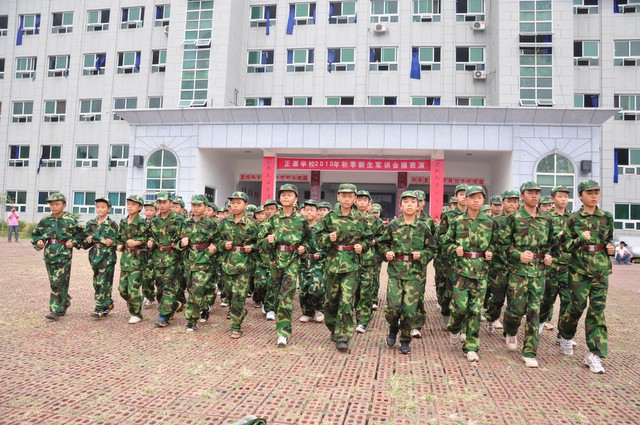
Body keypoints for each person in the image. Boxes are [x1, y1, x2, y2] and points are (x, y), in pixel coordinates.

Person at [558, 180, 615, 374]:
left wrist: (611, 248)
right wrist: (580, 239)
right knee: (576, 307)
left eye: (596, 192)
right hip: (579, 271)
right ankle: (565, 334)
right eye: (589, 193)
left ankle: (594, 353)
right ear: (580, 196)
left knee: (597, 311)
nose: (594, 196)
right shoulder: (573, 219)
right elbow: (564, 246)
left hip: (601, 271)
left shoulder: (606, 217)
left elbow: (609, 240)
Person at [502, 181, 554, 368]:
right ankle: (510, 329)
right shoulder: (513, 218)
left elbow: (552, 243)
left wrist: (549, 255)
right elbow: (503, 244)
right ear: (522, 196)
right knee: (516, 309)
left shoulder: (546, 219)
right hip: (518, 271)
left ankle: (530, 351)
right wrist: (517, 254)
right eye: (530, 193)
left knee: (534, 311)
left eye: (537, 193)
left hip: (538, 271)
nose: (534, 196)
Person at [315, 183, 372, 352]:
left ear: (354, 199)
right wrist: (328, 238)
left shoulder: (360, 218)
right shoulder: (330, 217)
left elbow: (368, 239)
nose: (347, 199)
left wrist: (362, 246)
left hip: (351, 264)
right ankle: (333, 327)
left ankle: (343, 336)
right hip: (333, 263)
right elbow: (317, 238)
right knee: (331, 301)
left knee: (347, 300)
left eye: (350, 196)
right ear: (338, 197)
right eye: (344, 196)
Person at [442, 186, 496, 362]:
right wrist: (454, 249)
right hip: (461, 270)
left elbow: (498, 243)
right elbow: (445, 242)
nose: (475, 200)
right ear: (466, 199)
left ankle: (471, 347)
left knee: (475, 310)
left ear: (483, 200)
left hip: (481, 271)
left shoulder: (490, 222)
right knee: (459, 308)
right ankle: (455, 327)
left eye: (479, 197)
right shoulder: (458, 221)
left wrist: (491, 251)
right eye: (472, 197)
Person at [378, 190, 436, 354]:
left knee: (410, 310)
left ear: (418, 206)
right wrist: (387, 252)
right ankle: (392, 328)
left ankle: (405, 339)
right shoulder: (393, 226)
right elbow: (382, 244)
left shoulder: (423, 227)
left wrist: (422, 255)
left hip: (414, 274)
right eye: (406, 202)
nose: (409, 205)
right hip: (396, 272)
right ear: (400, 206)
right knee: (393, 307)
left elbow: (432, 248)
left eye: (413, 202)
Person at [259, 184, 313, 346]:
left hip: (292, 260)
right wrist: (268, 241)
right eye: (283, 195)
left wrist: (304, 248)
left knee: (285, 297)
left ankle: (283, 333)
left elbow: (310, 241)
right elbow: (259, 241)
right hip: (276, 260)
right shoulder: (273, 219)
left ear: (296, 198)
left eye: (289, 195)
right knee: (275, 294)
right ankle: (274, 313)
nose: (286, 197)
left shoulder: (301, 220)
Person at [31, 193, 84, 321]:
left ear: (64, 205)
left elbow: (81, 235)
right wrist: (39, 242)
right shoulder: (45, 221)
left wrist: (73, 242)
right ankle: (64, 300)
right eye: (51, 204)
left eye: (57, 204)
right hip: (49, 255)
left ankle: (55, 310)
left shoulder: (70, 221)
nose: (54, 207)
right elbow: (36, 234)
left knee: (57, 282)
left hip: (64, 255)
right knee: (54, 282)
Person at [216, 191, 257, 339]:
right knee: (228, 294)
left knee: (238, 296)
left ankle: (236, 326)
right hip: (227, 264)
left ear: (246, 205)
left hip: (244, 265)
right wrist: (222, 244)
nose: (235, 206)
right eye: (233, 203)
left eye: (238, 203)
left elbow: (261, 243)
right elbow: (216, 240)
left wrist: (252, 247)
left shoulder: (252, 224)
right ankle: (239, 312)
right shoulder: (224, 223)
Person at [147, 191, 185, 328]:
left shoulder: (179, 220)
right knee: (160, 288)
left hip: (173, 258)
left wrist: (178, 244)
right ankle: (172, 306)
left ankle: (164, 316)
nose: (162, 205)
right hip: (158, 257)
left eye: (165, 202)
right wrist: (151, 241)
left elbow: (184, 238)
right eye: (159, 202)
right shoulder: (154, 220)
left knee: (169, 287)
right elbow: (151, 236)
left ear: (171, 203)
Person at [180, 195, 218, 333]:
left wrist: (214, 248)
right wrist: (181, 243)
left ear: (205, 207)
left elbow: (219, 240)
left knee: (196, 290)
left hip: (204, 260)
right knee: (192, 289)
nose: (195, 208)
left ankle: (191, 321)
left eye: (199, 205)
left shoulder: (211, 223)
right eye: (193, 205)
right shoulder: (186, 222)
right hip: (189, 260)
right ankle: (205, 307)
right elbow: (177, 241)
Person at [485, 189, 520, 332]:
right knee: (497, 299)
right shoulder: (494, 221)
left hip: (517, 267)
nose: (511, 204)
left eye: (514, 201)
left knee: (514, 301)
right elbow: (489, 242)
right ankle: (491, 317)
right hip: (498, 266)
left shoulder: (523, 220)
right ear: (503, 202)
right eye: (508, 201)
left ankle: (509, 331)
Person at [539, 186, 572, 335]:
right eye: (560, 196)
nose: (563, 199)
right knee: (547, 300)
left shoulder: (572, 218)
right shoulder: (546, 218)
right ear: (553, 199)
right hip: (551, 266)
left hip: (568, 266)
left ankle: (563, 335)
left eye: (566, 196)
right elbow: (542, 241)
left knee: (568, 301)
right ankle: (540, 323)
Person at [436, 184, 467, 331]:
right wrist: (453, 249)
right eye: (461, 194)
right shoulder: (449, 215)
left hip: (469, 262)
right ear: (456, 197)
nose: (465, 197)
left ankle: (462, 324)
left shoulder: (477, 216)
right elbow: (441, 237)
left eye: (467, 194)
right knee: (448, 291)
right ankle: (446, 313)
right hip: (450, 260)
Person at [84, 196, 119, 318]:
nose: (100, 209)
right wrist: (87, 240)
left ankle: (100, 307)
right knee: (96, 282)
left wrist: (112, 243)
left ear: (109, 209)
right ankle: (107, 303)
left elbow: (119, 241)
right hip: (94, 255)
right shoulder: (91, 224)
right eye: (98, 207)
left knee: (103, 281)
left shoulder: (112, 224)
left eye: (103, 207)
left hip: (107, 256)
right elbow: (84, 242)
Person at [354, 190, 383, 334]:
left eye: (365, 200)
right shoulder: (350, 217)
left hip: (368, 260)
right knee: (354, 291)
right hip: (350, 260)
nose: (362, 202)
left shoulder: (375, 221)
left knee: (366, 290)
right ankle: (354, 314)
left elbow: (383, 238)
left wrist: (375, 241)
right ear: (355, 201)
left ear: (369, 203)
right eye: (359, 199)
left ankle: (363, 320)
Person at [116, 195, 149, 324]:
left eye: (133, 205)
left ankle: (136, 314)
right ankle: (136, 303)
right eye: (128, 204)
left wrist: (136, 242)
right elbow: (120, 237)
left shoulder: (141, 222)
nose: (130, 207)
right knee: (122, 289)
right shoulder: (123, 221)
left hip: (137, 260)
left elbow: (146, 238)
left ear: (139, 207)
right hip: (125, 259)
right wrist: (120, 244)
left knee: (133, 289)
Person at [298, 199, 325, 324]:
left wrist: (321, 254)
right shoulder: (299, 227)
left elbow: (327, 245)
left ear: (317, 212)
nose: (309, 212)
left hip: (317, 261)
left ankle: (319, 309)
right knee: (304, 289)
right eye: (306, 210)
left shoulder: (322, 228)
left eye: (312, 210)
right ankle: (307, 312)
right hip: (303, 261)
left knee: (316, 287)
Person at [142, 201, 159, 307]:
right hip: (143, 253)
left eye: (151, 210)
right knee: (145, 276)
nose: (148, 212)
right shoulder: (141, 222)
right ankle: (148, 295)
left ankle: (152, 296)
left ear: (156, 211)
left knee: (153, 276)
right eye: (146, 210)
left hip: (155, 253)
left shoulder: (157, 223)